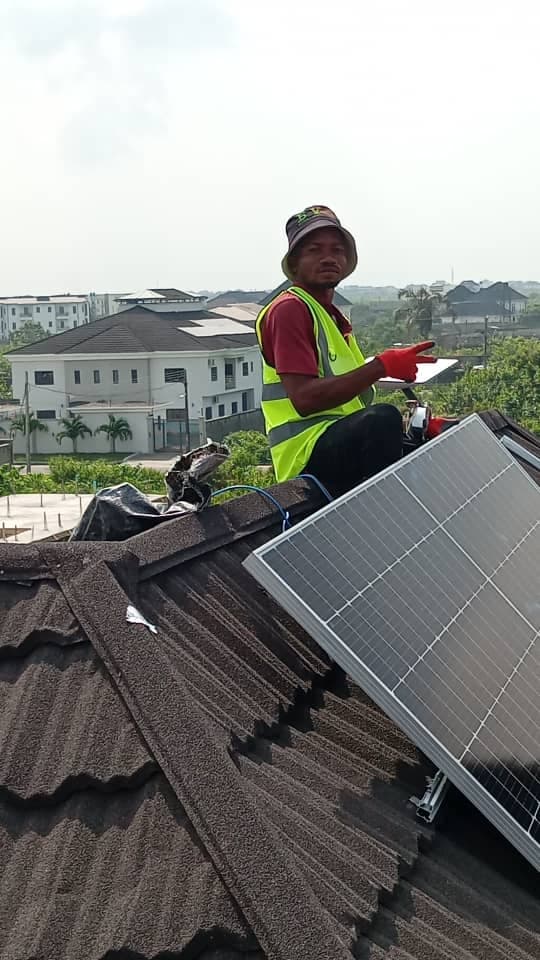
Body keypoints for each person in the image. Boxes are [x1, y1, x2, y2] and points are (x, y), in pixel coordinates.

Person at [256, 205, 436, 496]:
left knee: (422, 441)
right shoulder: (289, 309)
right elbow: (304, 399)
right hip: (305, 455)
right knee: (382, 420)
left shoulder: (331, 318)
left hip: (335, 443)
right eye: (315, 250)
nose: (328, 257)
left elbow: (350, 406)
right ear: (295, 262)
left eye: (337, 250)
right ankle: (382, 516)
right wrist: (381, 366)